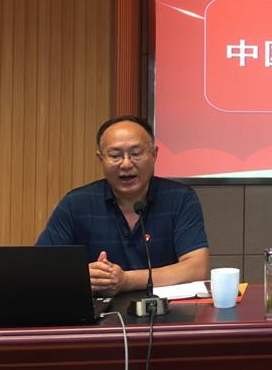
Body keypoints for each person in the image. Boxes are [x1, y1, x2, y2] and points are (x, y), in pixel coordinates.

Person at [37, 115, 209, 293]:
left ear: (154, 155)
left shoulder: (180, 198)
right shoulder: (75, 204)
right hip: (97, 309)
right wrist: (81, 276)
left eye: (136, 154)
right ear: (100, 159)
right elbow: (40, 269)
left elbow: (197, 269)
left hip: (164, 308)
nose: (126, 164)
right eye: (115, 155)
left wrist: (126, 280)